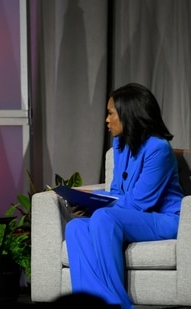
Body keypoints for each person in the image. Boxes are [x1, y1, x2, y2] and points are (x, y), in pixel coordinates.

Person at [64, 83, 184, 309]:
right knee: (76, 227)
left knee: (103, 218)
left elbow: (140, 202)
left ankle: (118, 304)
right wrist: (87, 203)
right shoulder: (120, 144)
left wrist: (95, 200)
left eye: (111, 113)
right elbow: (118, 193)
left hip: (164, 219)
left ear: (129, 113)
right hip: (131, 216)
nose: (106, 120)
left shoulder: (158, 148)